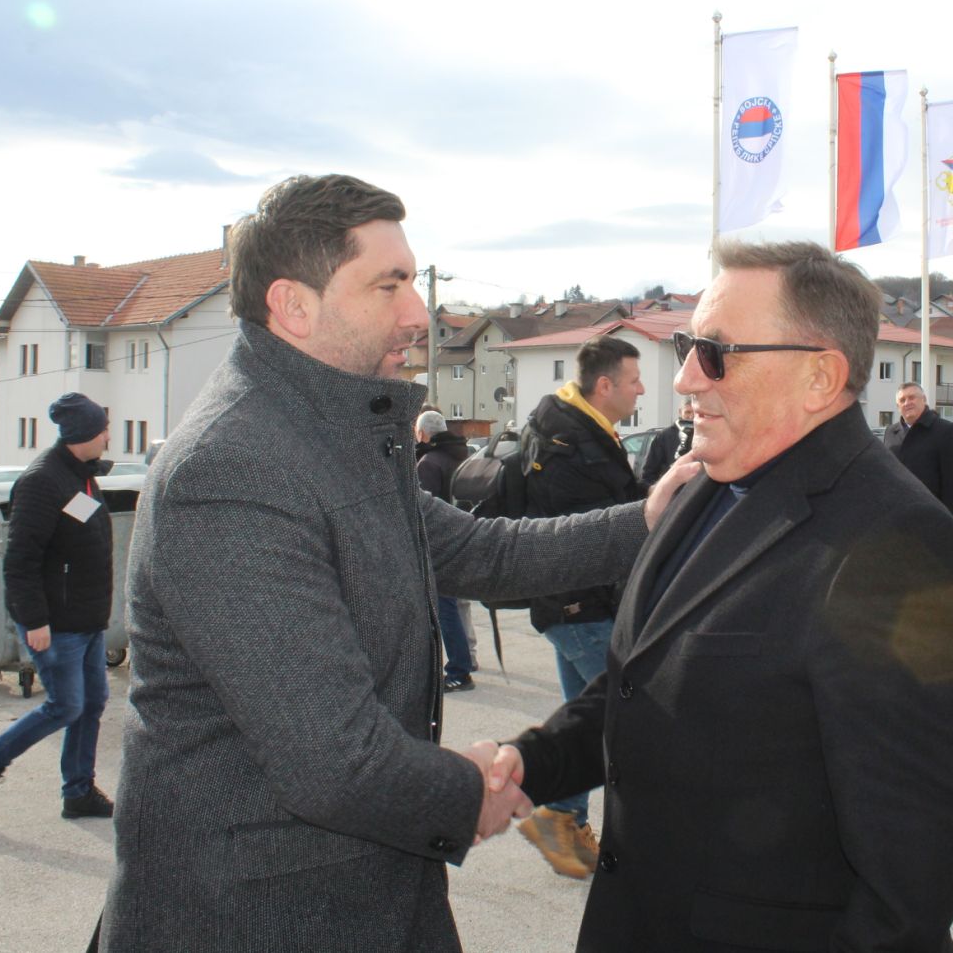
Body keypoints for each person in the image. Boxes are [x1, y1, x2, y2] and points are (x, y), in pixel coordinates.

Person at [100, 174, 695, 953]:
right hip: (257, 917)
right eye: (389, 285)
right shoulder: (232, 468)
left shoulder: (328, 437)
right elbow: (336, 761)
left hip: (368, 896)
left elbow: (481, 551)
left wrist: (650, 519)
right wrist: (477, 789)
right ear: (293, 305)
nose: (418, 312)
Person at [482, 240, 953, 951]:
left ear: (819, 376)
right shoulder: (704, 485)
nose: (685, 377)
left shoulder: (894, 543)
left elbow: (913, 864)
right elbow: (643, 684)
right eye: (687, 347)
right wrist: (535, 761)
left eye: (716, 353)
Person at [516, 335, 647, 880]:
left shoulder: (577, 428)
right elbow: (601, 528)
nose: (643, 390)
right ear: (605, 385)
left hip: (571, 605)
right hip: (580, 606)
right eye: (635, 380)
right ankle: (639, 842)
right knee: (632, 719)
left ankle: (562, 817)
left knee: (588, 718)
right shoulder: (573, 445)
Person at [0, 392, 116, 822]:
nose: (108, 436)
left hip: (86, 619)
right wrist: (34, 620)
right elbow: (20, 560)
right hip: (57, 623)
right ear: (84, 433)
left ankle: (78, 792)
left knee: (91, 702)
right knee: (65, 705)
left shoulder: (80, 476)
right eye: (103, 429)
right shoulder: (43, 481)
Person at [414, 409, 476, 693]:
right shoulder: (462, 456)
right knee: (457, 606)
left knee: (445, 609)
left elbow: (422, 511)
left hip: (438, 544)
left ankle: (459, 670)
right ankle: (466, 660)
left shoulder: (428, 463)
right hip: (465, 537)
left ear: (422, 434)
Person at [882, 381, 953, 514]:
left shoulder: (945, 431)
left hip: (931, 514)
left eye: (912, 397)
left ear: (924, 400)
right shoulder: (890, 433)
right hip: (897, 514)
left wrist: (948, 519)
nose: (907, 403)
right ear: (898, 406)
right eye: (902, 400)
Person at [639, 399, 694, 486]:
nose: (691, 416)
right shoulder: (665, 436)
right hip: (672, 491)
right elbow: (649, 472)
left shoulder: (706, 435)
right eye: (688, 412)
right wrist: (656, 490)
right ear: (680, 412)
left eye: (695, 412)